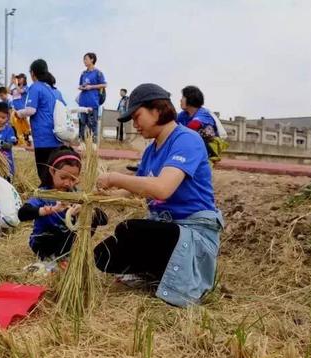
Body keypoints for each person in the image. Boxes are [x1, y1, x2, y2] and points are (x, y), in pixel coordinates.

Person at [94, 83, 224, 307]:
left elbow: (163, 188)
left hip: (191, 229)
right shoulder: (150, 151)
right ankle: (154, 271)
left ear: (157, 110)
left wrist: (115, 177)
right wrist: (100, 196)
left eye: (137, 116)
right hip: (164, 226)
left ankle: (169, 273)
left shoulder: (187, 139)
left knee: (132, 230)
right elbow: (135, 191)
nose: (135, 124)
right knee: (102, 255)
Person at [18, 147, 107, 273]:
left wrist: (84, 210)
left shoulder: (77, 194)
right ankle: (52, 259)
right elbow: (22, 214)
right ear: (52, 171)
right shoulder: (44, 194)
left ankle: (69, 256)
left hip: (68, 240)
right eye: (63, 177)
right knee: (48, 239)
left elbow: (104, 220)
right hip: (44, 241)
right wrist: (48, 210)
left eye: (73, 179)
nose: (67, 183)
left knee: (93, 217)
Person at [15, 59, 65, 184]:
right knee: (54, 172)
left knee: (44, 174)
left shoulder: (35, 87)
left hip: (43, 138)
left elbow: (31, 110)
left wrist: (18, 113)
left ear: (32, 73)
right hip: (56, 138)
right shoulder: (53, 90)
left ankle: (46, 198)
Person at [177, 85, 228, 165]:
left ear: (190, 99)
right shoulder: (183, 115)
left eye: (183, 97)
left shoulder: (203, 113)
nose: (180, 100)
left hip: (209, 146)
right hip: (193, 145)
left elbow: (193, 126)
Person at [77, 52, 107, 144]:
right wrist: (82, 87)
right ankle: (82, 143)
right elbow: (80, 85)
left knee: (93, 125)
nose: (84, 61)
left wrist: (91, 87)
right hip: (83, 103)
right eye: (84, 59)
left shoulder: (98, 73)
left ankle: (93, 145)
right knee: (82, 124)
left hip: (93, 102)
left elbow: (105, 84)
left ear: (92, 60)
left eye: (86, 59)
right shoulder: (83, 73)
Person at [9, 73, 31, 146]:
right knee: (16, 125)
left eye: (20, 78)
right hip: (15, 109)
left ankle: (26, 138)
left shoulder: (26, 87)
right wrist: (11, 83)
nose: (18, 79)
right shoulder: (15, 88)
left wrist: (15, 84)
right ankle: (21, 140)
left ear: (24, 79)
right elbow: (8, 91)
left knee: (24, 126)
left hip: (22, 110)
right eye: (18, 78)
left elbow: (21, 91)